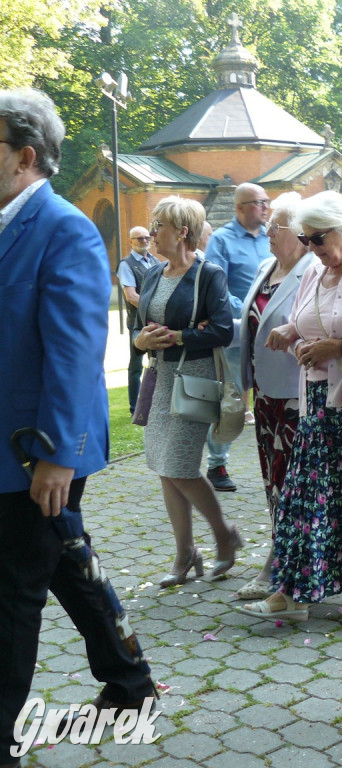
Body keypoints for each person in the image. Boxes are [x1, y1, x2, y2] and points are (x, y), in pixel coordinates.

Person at [0, 87, 157, 765]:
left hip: (34, 449)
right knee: (64, 560)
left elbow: (73, 351)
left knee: (13, 592)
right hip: (14, 444)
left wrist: (60, 456)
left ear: (23, 157)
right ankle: (130, 684)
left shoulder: (63, 228)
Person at [241, 191, 342, 620]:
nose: (311, 248)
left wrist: (340, 347)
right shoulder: (317, 270)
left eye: (317, 238)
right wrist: (292, 331)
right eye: (305, 239)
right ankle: (293, 594)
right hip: (315, 401)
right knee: (305, 499)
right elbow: (309, 318)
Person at [133, 196, 241, 587]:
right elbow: (138, 326)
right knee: (165, 468)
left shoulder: (208, 274)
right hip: (159, 379)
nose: (151, 231)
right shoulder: (152, 274)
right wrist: (141, 342)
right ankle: (186, 553)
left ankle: (224, 535)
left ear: (181, 232)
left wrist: (179, 336)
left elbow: (224, 330)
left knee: (179, 466)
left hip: (193, 379)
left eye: (158, 224)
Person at [235, 192, 315, 600]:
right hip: (266, 399)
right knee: (273, 482)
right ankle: (283, 557)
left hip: (298, 399)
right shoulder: (267, 267)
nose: (267, 230)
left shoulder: (314, 270)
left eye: (276, 225)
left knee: (292, 483)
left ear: (301, 234)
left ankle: (281, 566)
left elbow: (321, 324)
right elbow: (251, 321)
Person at [202, 182, 272, 492]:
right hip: (236, 330)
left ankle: (274, 455)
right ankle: (217, 463)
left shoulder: (275, 235)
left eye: (267, 201)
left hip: (271, 330)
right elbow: (216, 285)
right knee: (229, 397)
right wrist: (247, 310)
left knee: (271, 394)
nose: (266, 207)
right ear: (240, 207)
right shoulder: (222, 239)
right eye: (259, 202)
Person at [116, 225, 161, 414]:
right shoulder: (126, 264)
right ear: (131, 242)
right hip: (138, 323)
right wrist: (154, 310)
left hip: (156, 321)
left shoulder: (156, 261)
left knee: (158, 364)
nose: (144, 241)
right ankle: (135, 406)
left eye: (146, 238)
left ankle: (155, 403)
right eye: (139, 239)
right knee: (135, 366)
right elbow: (131, 297)